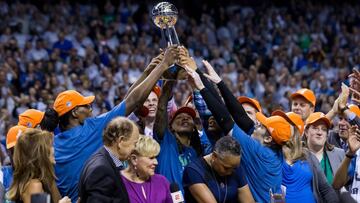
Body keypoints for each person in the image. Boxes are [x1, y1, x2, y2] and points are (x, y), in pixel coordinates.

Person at [41, 47, 178, 201]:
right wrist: (163, 65)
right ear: (74, 113)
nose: (90, 109)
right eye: (86, 106)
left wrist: (147, 72)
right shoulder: (91, 129)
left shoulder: (53, 144)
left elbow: (126, 103)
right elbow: (132, 102)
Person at [184, 64, 289, 202]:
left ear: (269, 138)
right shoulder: (275, 151)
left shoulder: (258, 151)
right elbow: (240, 116)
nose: (256, 124)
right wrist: (219, 83)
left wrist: (202, 87)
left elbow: (225, 119)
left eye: (261, 126)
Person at [272, 110, 339, 203]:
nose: (281, 127)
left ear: (297, 131)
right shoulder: (271, 154)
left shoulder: (309, 156)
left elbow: (326, 189)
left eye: (286, 124)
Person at [78, 117, 140, 203]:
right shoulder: (101, 170)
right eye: (134, 143)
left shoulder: (101, 160)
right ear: (121, 141)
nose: (135, 148)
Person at [183, 136, 255, 203]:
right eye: (226, 168)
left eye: (234, 168)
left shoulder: (234, 166)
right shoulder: (193, 171)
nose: (230, 172)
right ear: (214, 156)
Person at [8, 128, 70, 203]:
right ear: (40, 154)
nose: (53, 149)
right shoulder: (34, 186)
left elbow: (56, 200)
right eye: (50, 146)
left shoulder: (43, 178)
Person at [121, 135, 172, 203]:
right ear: (134, 159)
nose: (156, 162)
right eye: (151, 158)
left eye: (156, 157)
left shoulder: (162, 181)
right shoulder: (117, 183)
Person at [304, 112, 345, 185]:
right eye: (315, 128)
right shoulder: (297, 156)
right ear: (306, 132)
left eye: (324, 129)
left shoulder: (339, 154)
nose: (320, 133)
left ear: (327, 135)